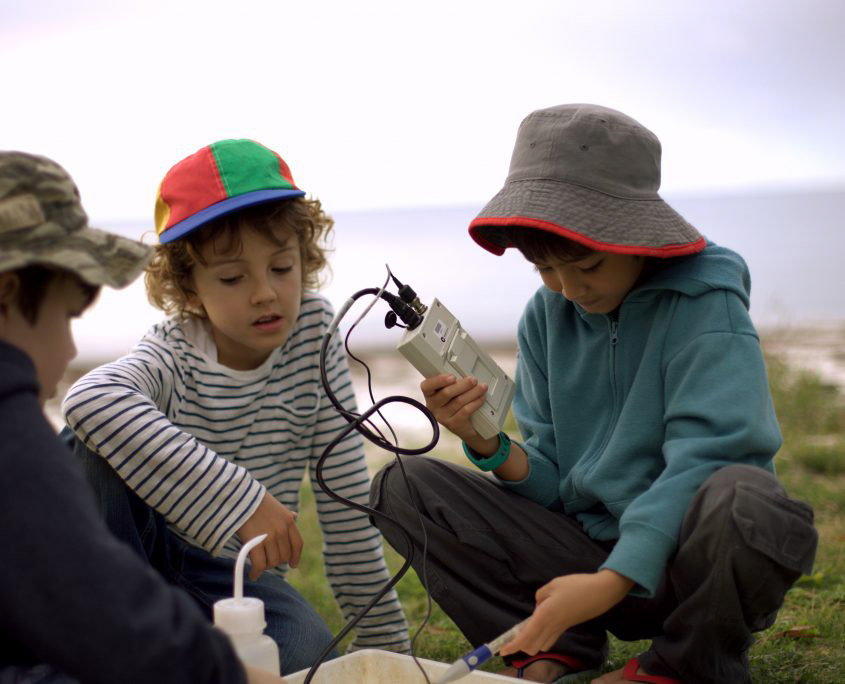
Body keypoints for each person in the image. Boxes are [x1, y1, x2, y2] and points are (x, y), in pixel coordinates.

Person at [369, 104, 819, 684]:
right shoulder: (547, 316)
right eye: (544, 269)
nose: (569, 288)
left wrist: (610, 582)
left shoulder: (705, 305)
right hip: (583, 564)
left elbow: (711, 455)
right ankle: (557, 645)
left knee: (744, 496)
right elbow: (557, 479)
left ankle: (683, 666)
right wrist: (487, 442)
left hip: (692, 568)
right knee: (402, 485)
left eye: (586, 265)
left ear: (637, 238)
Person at [61, 138, 410, 675]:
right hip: (129, 562)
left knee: (307, 657)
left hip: (238, 580)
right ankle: (105, 638)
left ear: (304, 259)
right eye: (231, 277)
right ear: (191, 289)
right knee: (90, 440)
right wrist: (242, 501)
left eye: (281, 267)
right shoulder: (171, 354)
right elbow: (89, 397)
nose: (265, 293)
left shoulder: (315, 334)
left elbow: (345, 507)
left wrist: (390, 652)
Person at [0, 150, 287, 684]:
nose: (67, 351)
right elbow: (105, 613)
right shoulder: (11, 440)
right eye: (65, 318)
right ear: (7, 296)